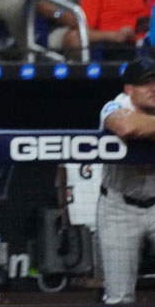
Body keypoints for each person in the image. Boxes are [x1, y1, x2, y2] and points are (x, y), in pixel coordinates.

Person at [97, 58, 155, 303]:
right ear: (128, 89)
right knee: (120, 298)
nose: (153, 88)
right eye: (145, 83)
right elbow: (126, 127)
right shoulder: (114, 105)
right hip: (119, 207)